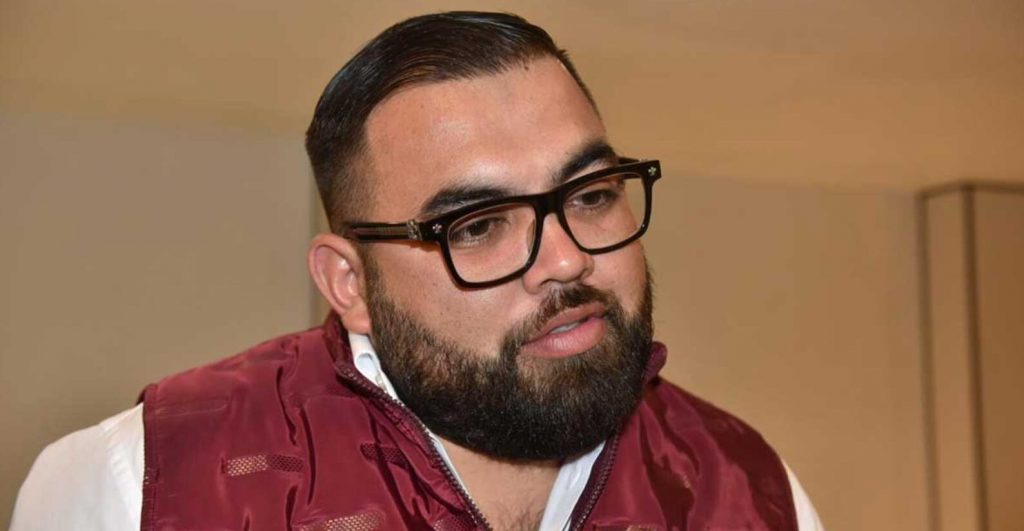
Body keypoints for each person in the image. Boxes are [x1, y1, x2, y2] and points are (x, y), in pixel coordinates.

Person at [12, 11, 824, 531]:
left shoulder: (750, 489)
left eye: (591, 194)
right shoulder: (145, 483)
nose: (568, 258)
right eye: (478, 226)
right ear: (350, 284)